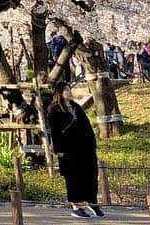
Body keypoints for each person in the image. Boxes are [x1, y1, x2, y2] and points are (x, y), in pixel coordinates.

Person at [47, 82, 103, 219]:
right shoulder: (54, 110)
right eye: (66, 90)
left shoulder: (75, 106)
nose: (69, 92)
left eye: (69, 90)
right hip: (67, 149)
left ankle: (91, 201)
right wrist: (58, 148)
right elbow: (55, 131)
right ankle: (76, 206)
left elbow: (86, 125)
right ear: (60, 93)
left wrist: (92, 143)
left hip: (84, 147)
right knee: (72, 177)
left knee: (90, 174)